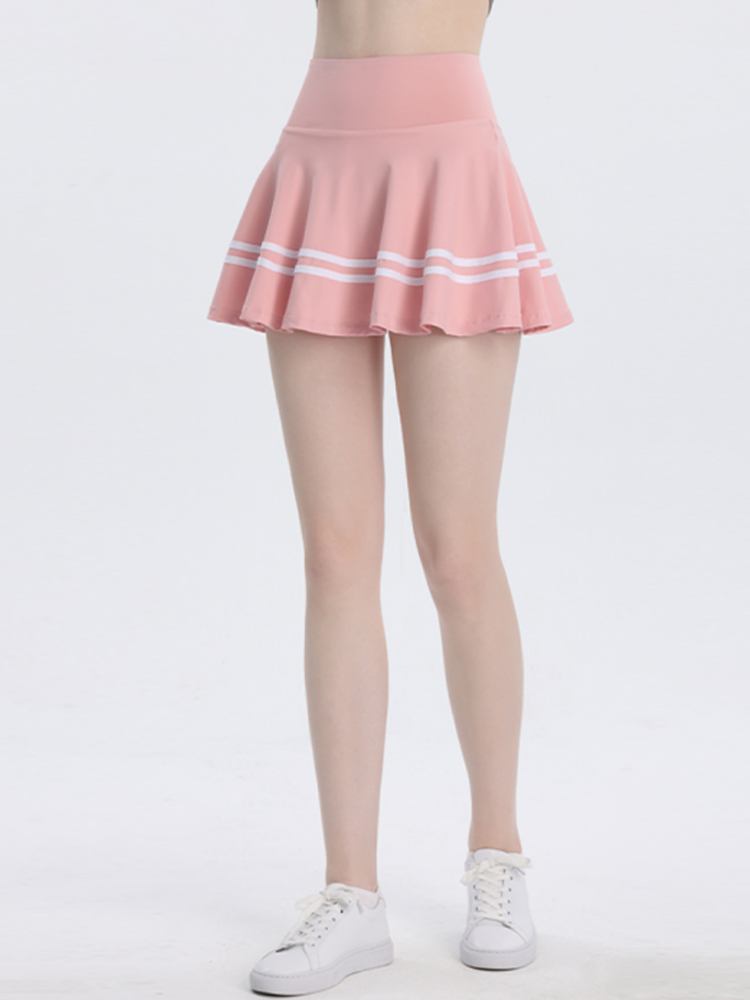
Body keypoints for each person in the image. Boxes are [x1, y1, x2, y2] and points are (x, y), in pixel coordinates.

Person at [207, 0, 573, 993]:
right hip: (319, 162)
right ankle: (352, 894)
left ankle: (498, 857)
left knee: (457, 550)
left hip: (453, 168)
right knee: (333, 551)